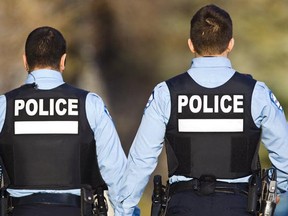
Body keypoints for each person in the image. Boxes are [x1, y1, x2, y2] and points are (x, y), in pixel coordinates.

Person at [119, 4, 288, 216]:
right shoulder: (256, 93)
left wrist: (125, 210)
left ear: (191, 45)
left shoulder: (166, 93)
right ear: (230, 44)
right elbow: (284, 154)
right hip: (240, 206)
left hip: (182, 205)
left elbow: (141, 161)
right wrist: (277, 191)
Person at [0, 26, 127, 216]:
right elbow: (116, 172)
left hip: (19, 210)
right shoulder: (90, 104)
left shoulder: (4, 106)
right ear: (63, 61)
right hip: (75, 210)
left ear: (25, 61)